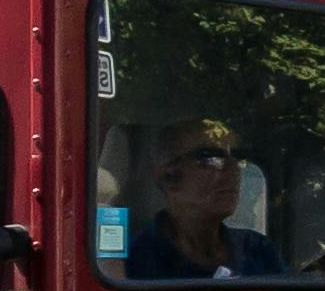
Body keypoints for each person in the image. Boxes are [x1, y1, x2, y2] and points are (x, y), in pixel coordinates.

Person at [119, 119, 282, 280]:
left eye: (238, 157)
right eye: (210, 158)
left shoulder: (258, 250)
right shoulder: (136, 258)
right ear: (170, 177)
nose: (233, 169)